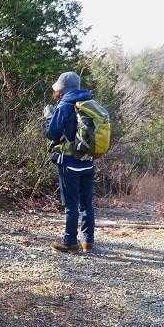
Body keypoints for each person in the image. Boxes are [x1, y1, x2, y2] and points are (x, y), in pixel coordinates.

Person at [44, 71, 95, 254]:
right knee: (87, 204)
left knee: (71, 205)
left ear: (63, 88)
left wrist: (48, 117)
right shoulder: (90, 103)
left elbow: (52, 134)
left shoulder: (65, 105)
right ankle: (88, 242)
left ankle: (70, 242)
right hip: (89, 161)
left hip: (70, 162)